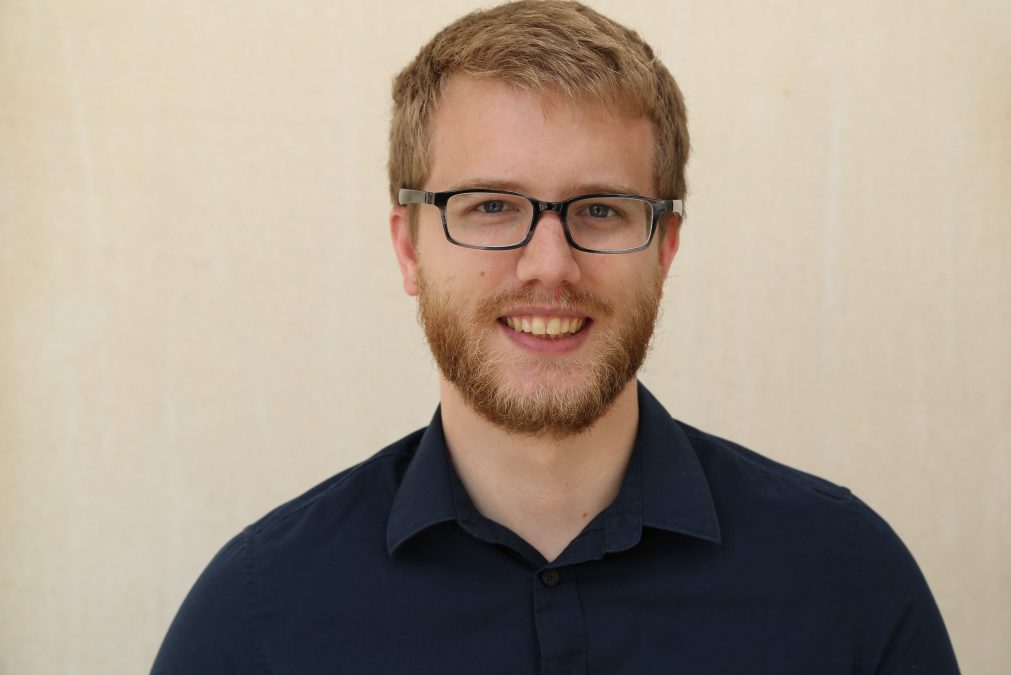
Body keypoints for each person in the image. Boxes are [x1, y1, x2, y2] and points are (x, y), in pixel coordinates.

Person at [151, 2, 961, 673]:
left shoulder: (847, 581)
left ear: (665, 249)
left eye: (600, 209)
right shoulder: (254, 618)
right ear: (408, 248)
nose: (549, 265)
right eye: (490, 206)